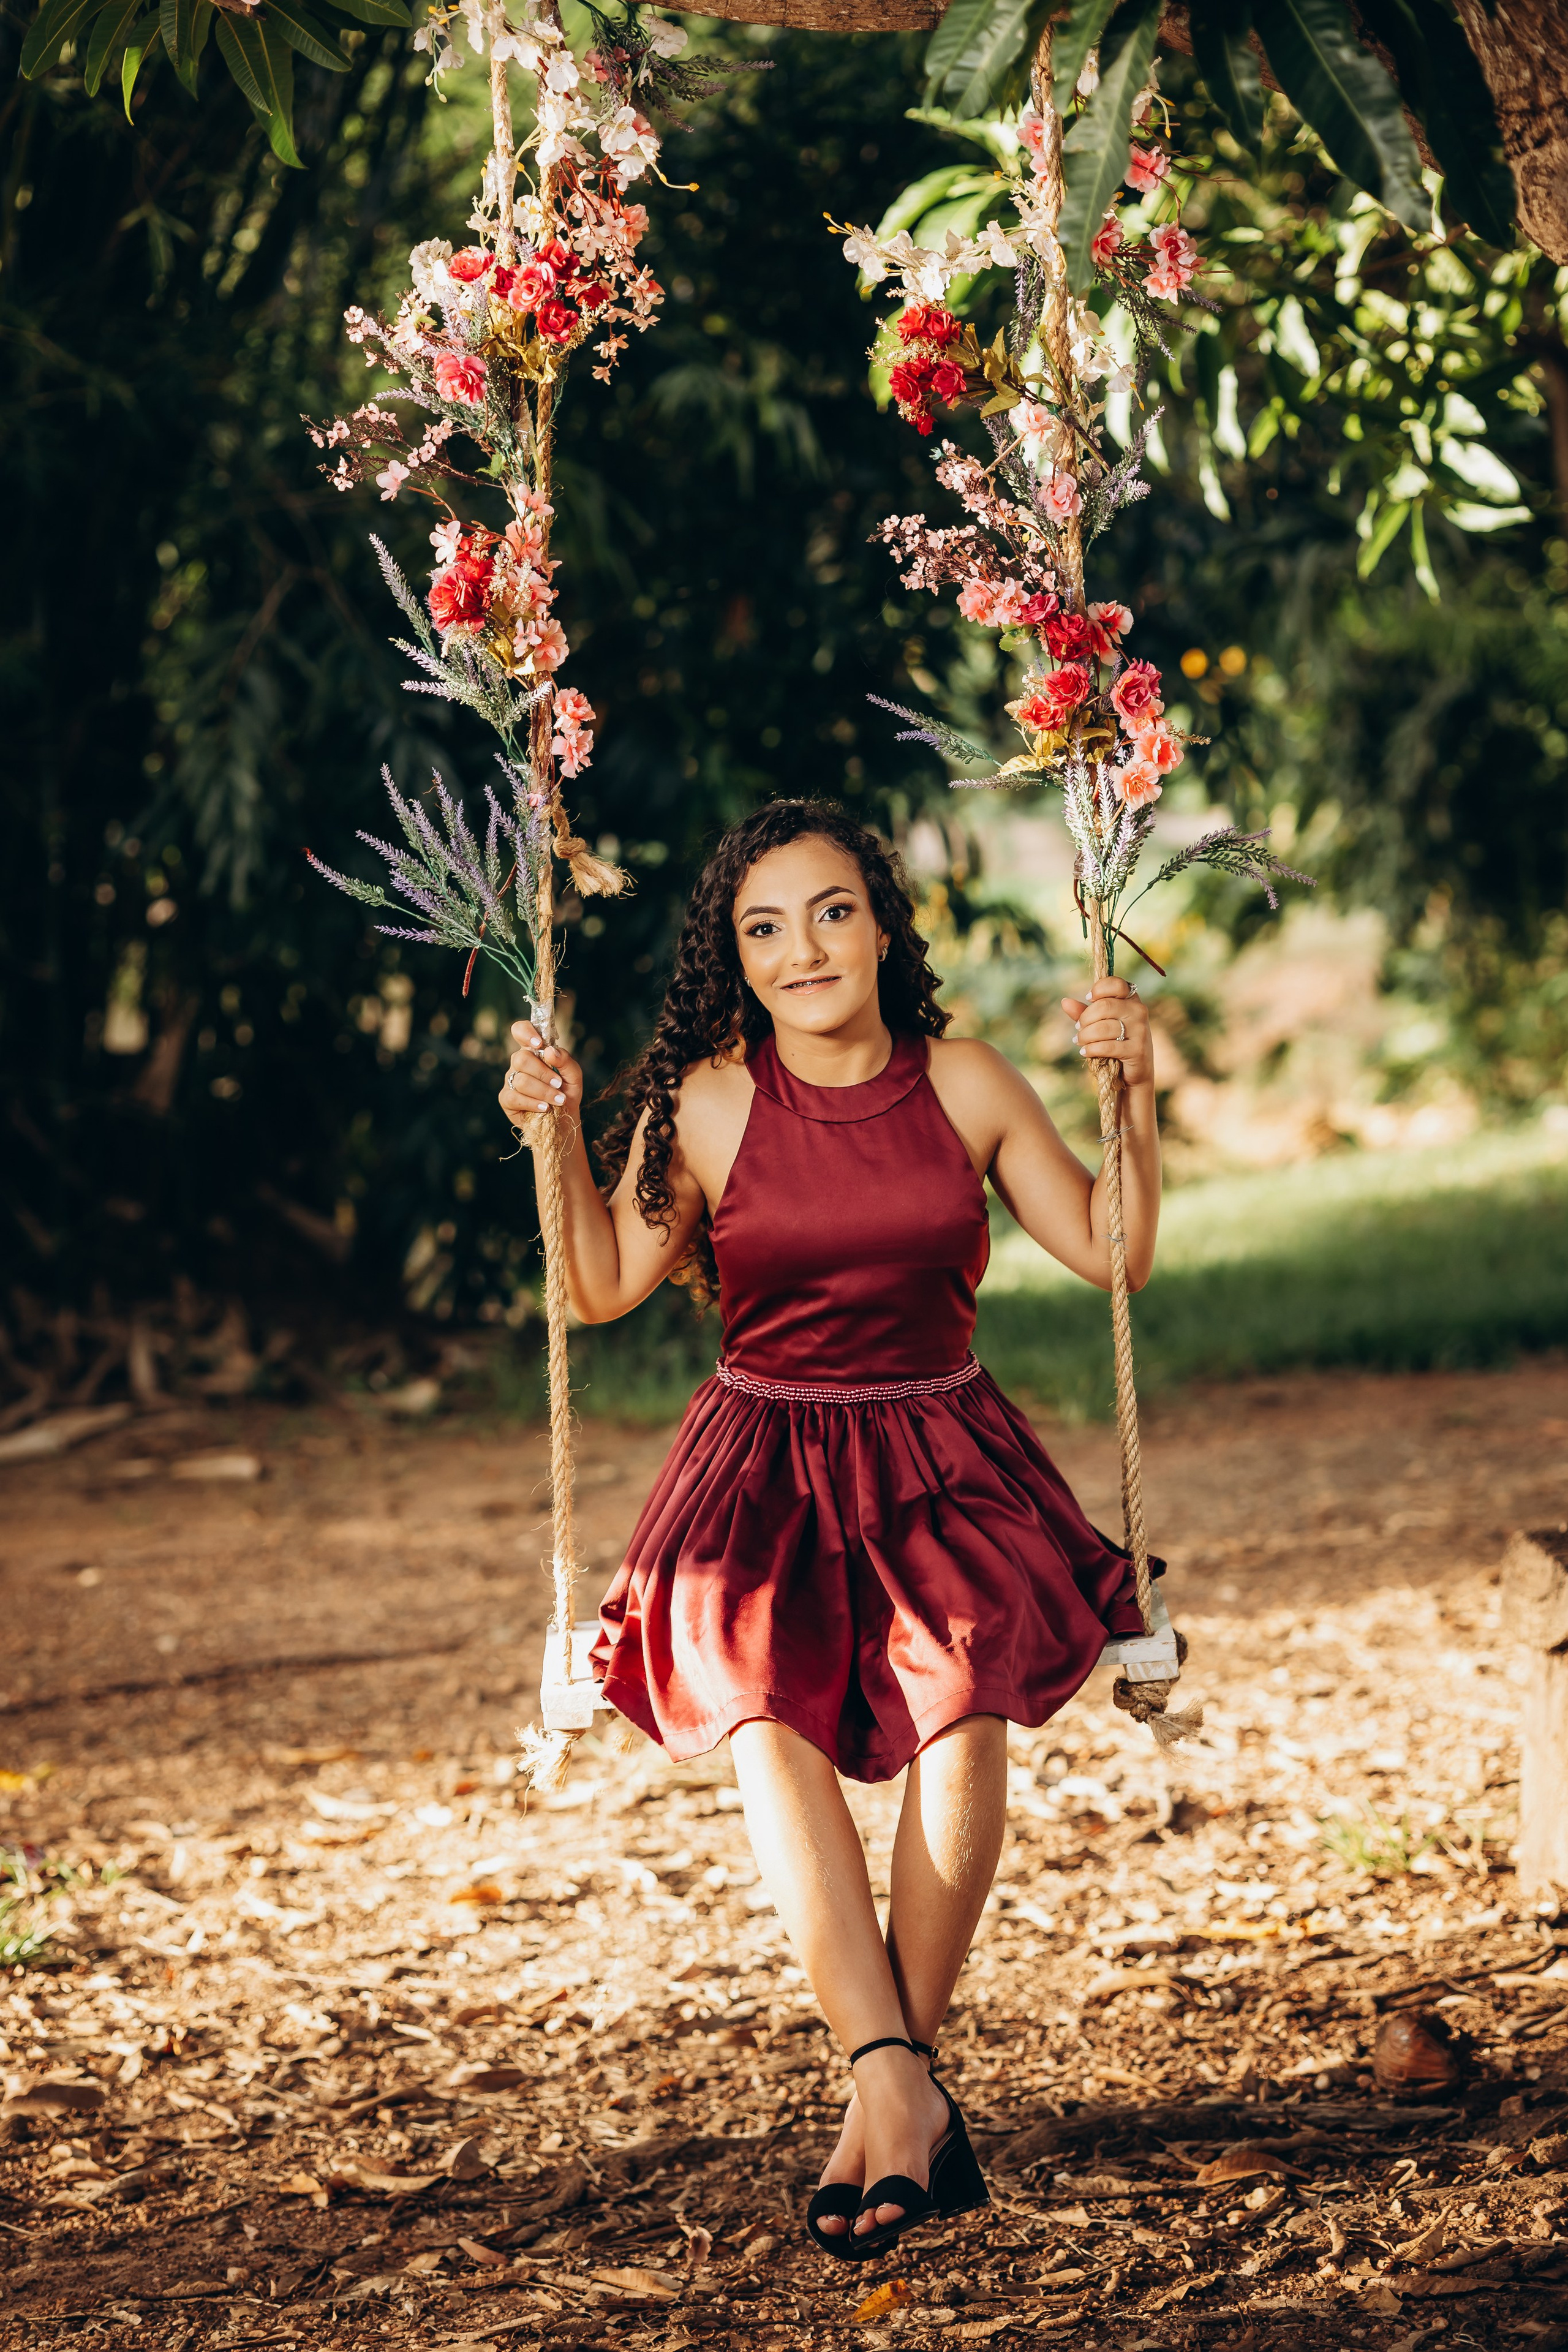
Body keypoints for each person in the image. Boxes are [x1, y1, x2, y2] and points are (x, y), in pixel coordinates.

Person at [498, 798, 1159, 2261]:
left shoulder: (968, 1081)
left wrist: (1136, 1093)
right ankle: (899, 2088)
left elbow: (1114, 1246)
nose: (801, 950)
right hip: (763, 1465)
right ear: (732, 959)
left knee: (964, 1710)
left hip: (939, 1449)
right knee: (762, 1722)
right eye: (763, 928)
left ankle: (886, 2093)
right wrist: (548, 1141)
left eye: (831, 912)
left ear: (879, 924)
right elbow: (600, 1282)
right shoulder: (711, 1104)